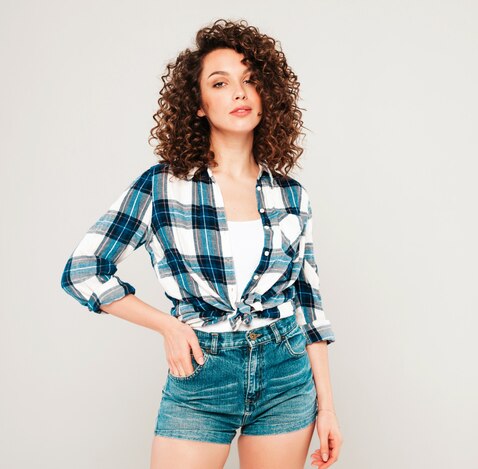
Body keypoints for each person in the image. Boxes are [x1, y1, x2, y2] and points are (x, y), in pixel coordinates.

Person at [60, 19, 342, 469]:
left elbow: (309, 304)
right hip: (202, 373)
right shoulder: (162, 187)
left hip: (286, 373)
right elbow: (83, 270)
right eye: (220, 82)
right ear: (198, 105)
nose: (240, 92)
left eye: (251, 80)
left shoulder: (291, 195)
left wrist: (327, 408)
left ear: (268, 95)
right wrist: (169, 326)